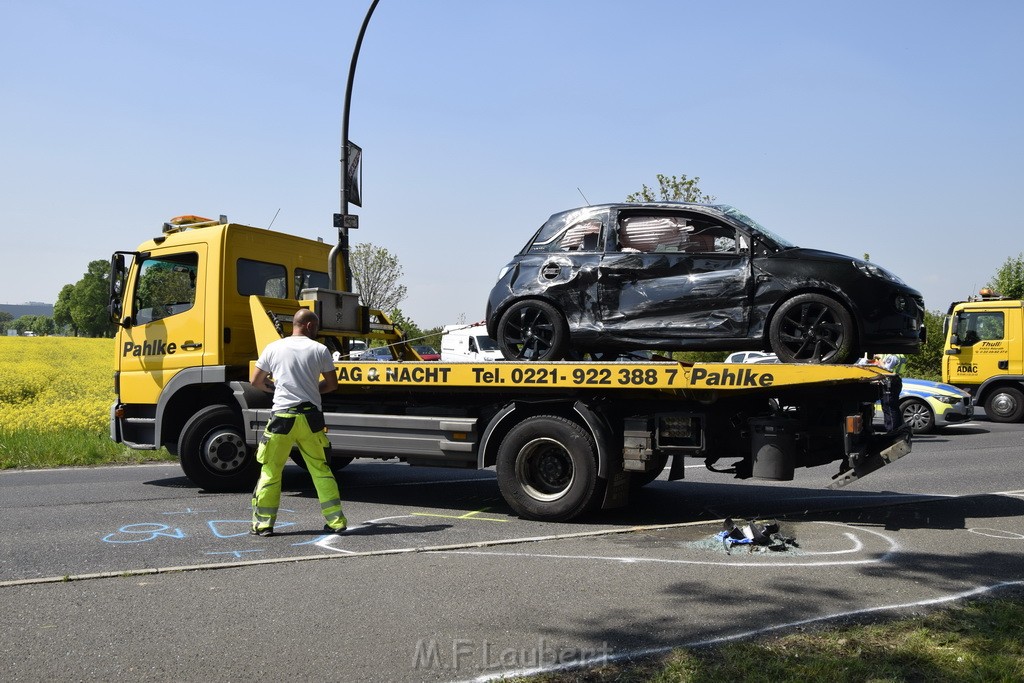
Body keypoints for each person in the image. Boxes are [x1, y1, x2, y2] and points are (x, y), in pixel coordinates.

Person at [249, 308, 347, 536]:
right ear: (310, 326)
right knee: (320, 470)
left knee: (271, 470)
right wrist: (312, 390)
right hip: (311, 419)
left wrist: (273, 388)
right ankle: (336, 522)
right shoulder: (320, 349)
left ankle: (263, 525)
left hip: (282, 418)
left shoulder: (274, 347)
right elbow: (332, 385)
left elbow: (255, 380)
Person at [866, 353, 907, 432]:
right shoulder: (900, 355)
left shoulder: (892, 356)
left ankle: (891, 430)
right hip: (894, 381)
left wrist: (879, 359)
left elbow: (886, 369)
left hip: (890, 383)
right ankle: (897, 429)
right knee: (893, 407)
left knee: (888, 407)